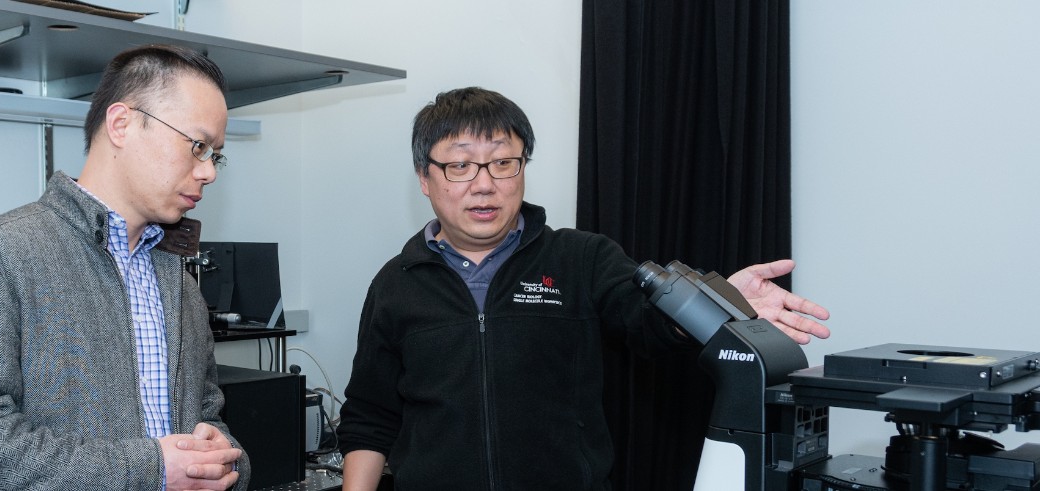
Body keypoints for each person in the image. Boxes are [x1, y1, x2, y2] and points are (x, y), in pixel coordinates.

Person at [336, 87, 830, 490]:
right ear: (426, 178)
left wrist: (722, 301)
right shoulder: (395, 284)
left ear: (522, 168)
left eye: (503, 163)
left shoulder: (581, 258)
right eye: (461, 166)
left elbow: (648, 323)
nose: (484, 184)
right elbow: (370, 417)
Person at [0, 44, 248, 491]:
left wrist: (225, 461)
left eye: (215, 154)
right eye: (197, 146)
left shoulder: (178, 279)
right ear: (122, 124)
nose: (208, 171)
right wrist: (149, 471)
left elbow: (208, 417)